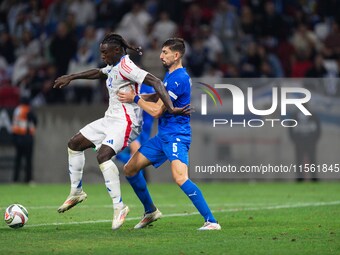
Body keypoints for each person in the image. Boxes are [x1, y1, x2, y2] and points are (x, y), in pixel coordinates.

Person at [53, 33, 187, 230]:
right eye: (101, 52)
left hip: (126, 122)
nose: (102, 56)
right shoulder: (114, 65)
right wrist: (72, 77)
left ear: (117, 51)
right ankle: (76, 192)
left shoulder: (127, 66)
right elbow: (99, 72)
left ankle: (119, 207)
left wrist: (171, 107)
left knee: (103, 156)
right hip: (110, 119)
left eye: (105, 53)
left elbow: (156, 82)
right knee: (74, 144)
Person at [118, 38, 221, 230]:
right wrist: (134, 98)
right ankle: (150, 211)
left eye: (165, 52)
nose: (161, 56)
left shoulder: (179, 78)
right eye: (161, 52)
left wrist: (136, 97)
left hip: (176, 135)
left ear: (177, 55)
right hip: (162, 136)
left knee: (180, 177)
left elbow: (157, 110)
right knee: (130, 168)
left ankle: (211, 221)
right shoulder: (171, 76)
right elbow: (159, 96)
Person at [12, 97, 37, 183]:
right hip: (27, 136)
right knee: (28, 159)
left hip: (18, 136)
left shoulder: (17, 110)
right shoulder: (27, 109)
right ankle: (29, 179)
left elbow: (15, 124)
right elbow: (35, 121)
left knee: (18, 159)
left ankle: (15, 179)